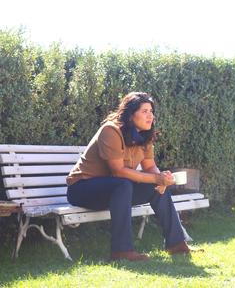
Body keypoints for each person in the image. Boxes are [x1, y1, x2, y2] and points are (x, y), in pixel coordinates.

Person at [67, 92, 201, 261]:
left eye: (151, 111)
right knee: (123, 184)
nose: (150, 115)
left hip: (115, 190)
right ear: (131, 114)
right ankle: (121, 251)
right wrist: (156, 179)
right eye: (145, 111)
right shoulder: (111, 130)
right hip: (83, 189)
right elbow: (118, 171)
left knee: (157, 189)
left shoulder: (145, 134)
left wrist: (162, 180)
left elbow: (150, 166)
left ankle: (177, 245)